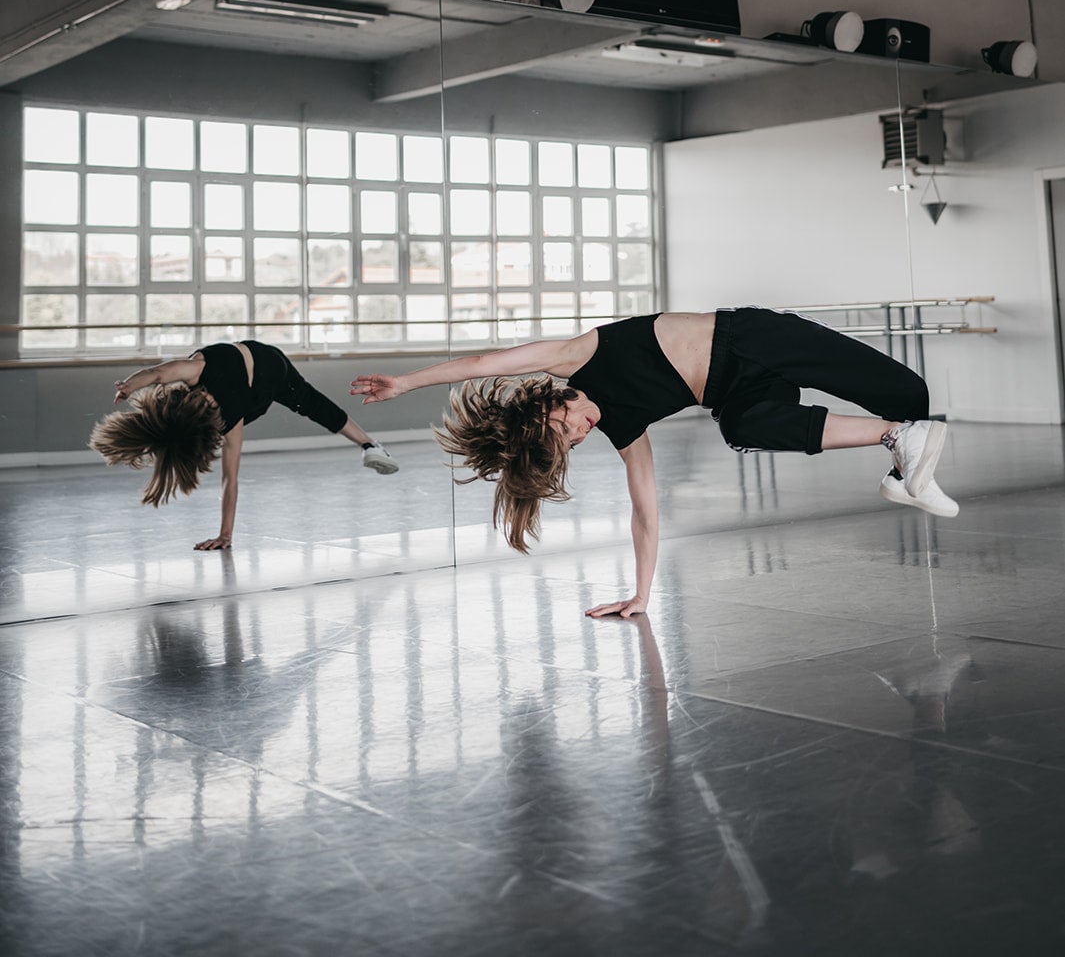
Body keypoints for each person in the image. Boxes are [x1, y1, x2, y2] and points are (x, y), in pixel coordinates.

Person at [351, 307, 957, 619]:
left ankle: (908, 453)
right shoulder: (620, 424)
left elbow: (486, 363)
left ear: (552, 395)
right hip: (741, 393)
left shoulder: (575, 356)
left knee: (911, 394)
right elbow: (645, 510)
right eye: (571, 443)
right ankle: (901, 447)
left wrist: (404, 384)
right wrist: (641, 594)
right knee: (742, 428)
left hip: (755, 340)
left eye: (566, 423)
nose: (581, 430)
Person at [90, 338, 398, 549]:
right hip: (269, 365)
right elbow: (157, 374)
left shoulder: (227, 421)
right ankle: (370, 445)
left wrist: (226, 534)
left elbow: (230, 480)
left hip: (258, 394)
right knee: (315, 406)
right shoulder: (196, 372)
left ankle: (370, 446)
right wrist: (129, 386)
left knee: (313, 406)